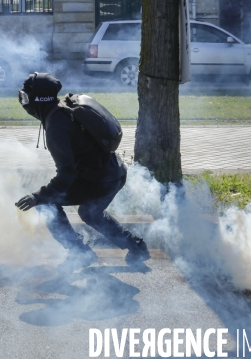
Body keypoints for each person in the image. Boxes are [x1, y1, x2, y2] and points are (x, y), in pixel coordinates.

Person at [15, 72, 150, 272]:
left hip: (100, 180)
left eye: (25, 97)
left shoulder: (56, 128)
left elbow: (66, 175)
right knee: (90, 212)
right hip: (115, 173)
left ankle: (79, 252)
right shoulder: (64, 109)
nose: (23, 102)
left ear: (37, 100)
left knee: (48, 204)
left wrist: (38, 196)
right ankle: (137, 247)